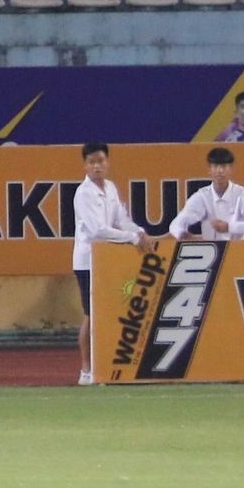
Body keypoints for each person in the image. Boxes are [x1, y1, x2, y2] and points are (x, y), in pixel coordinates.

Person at [70, 142, 148, 387]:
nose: (96, 166)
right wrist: (132, 238)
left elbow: (120, 219)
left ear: (107, 162)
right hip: (87, 261)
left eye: (100, 161)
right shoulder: (83, 193)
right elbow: (97, 231)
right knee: (91, 314)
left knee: (106, 314)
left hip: (107, 260)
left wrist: (140, 231)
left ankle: (104, 367)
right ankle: (86, 370)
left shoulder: (111, 188)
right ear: (85, 165)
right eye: (91, 162)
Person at [168, 147, 244, 241]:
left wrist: (229, 227)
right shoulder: (202, 196)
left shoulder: (243, 194)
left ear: (231, 169)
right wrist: (183, 235)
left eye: (224, 166)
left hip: (237, 250)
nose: (220, 171)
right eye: (215, 166)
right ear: (209, 170)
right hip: (210, 251)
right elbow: (176, 224)